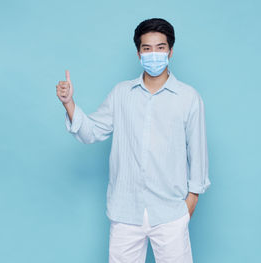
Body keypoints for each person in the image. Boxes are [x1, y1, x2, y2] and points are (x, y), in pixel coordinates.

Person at [56, 17, 211, 263]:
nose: (154, 54)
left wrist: (190, 202)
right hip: (125, 210)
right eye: (147, 48)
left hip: (170, 212)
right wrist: (69, 103)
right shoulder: (121, 94)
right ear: (138, 53)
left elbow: (198, 151)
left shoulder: (188, 98)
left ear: (170, 51)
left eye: (160, 48)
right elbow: (91, 131)